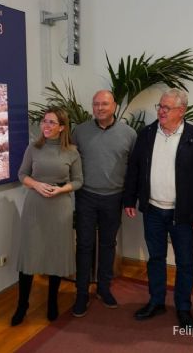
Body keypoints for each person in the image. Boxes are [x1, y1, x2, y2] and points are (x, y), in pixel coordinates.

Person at [123, 88, 193, 329]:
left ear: (181, 110)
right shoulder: (147, 134)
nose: (161, 111)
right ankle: (156, 301)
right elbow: (134, 169)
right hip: (152, 210)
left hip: (182, 214)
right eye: (160, 107)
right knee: (155, 258)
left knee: (184, 262)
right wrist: (129, 199)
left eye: (167, 108)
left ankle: (183, 307)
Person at [11, 107, 83, 326]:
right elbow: (22, 174)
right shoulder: (33, 148)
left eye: (52, 122)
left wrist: (61, 190)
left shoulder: (72, 151)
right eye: (44, 121)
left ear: (62, 127)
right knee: (29, 255)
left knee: (55, 255)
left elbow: (79, 181)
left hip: (59, 207)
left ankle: (52, 302)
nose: (46, 126)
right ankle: (22, 305)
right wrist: (37, 184)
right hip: (35, 206)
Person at [71, 90, 137, 317]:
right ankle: (81, 292)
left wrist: (129, 198)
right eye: (96, 103)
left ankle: (104, 288)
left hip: (114, 197)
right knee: (84, 245)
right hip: (86, 196)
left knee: (108, 245)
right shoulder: (79, 132)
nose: (100, 108)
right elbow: (69, 162)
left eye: (105, 104)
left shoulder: (129, 134)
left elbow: (134, 171)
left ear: (114, 106)